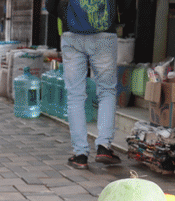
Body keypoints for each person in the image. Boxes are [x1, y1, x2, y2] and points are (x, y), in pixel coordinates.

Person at [46, 0, 127, 169]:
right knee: (107, 91)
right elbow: (125, 4)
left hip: (72, 34)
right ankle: (104, 146)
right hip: (104, 34)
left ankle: (80, 154)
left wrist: (69, 17)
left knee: (75, 95)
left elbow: (50, 5)